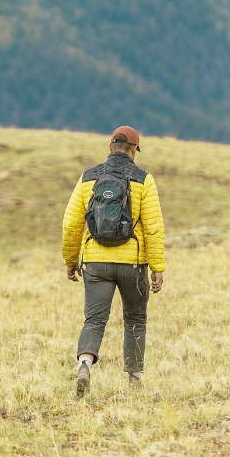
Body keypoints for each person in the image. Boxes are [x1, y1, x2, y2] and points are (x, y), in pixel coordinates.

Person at [62, 125, 165, 397]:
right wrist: (157, 267)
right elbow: (153, 227)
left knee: (94, 320)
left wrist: (71, 260)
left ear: (110, 147)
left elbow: (72, 224)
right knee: (135, 318)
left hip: (95, 263)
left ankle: (85, 364)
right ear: (134, 150)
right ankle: (134, 378)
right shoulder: (144, 180)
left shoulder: (88, 178)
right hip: (132, 264)